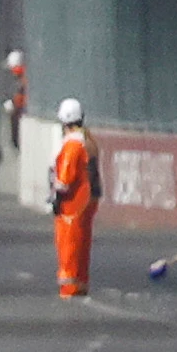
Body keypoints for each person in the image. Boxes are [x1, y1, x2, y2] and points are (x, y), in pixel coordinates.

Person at [49, 100, 100, 298]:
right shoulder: (88, 141)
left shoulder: (72, 145)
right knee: (82, 244)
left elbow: (65, 179)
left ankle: (69, 286)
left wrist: (56, 197)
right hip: (86, 202)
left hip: (72, 205)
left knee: (69, 245)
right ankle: (80, 282)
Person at [4, 50, 28, 149]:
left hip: (21, 116)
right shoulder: (22, 79)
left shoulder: (23, 80)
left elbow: (21, 100)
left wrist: (13, 105)